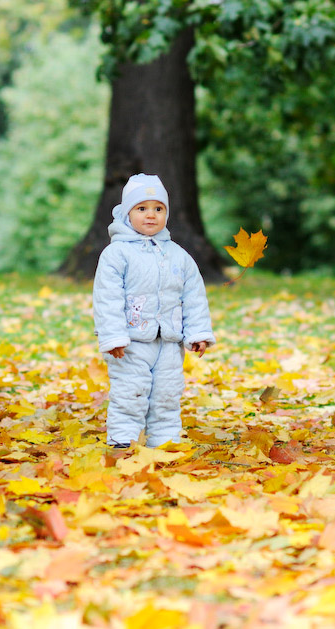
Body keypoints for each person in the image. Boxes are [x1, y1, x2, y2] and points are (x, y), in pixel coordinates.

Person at [93, 173, 216, 448]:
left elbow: (193, 296)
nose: (151, 215)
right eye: (142, 208)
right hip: (131, 343)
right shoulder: (116, 255)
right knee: (130, 393)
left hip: (169, 344)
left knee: (167, 396)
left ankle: (164, 443)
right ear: (127, 213)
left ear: (166, 214)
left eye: (158, 209)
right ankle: (122, 441)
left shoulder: (179, 256)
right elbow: (107, 298)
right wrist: (113, 337)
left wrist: (197, 333)